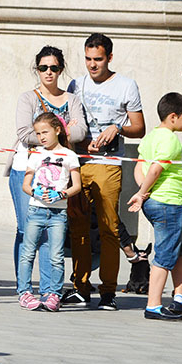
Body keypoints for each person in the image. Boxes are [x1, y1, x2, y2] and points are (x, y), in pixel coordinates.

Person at [63, 33, 145, 310]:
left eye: (97, 59)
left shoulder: (126, 86)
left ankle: (108, 291)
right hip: (79, 162)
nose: (92, 65)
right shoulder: (77, 84)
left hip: (108, 164)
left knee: (109, 228)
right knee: (77, 226)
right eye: (87, 59)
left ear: (109, 57)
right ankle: (80, 287)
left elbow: (139, 128)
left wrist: (117, 129)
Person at [9, 46, 87, 290]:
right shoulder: (28, 98)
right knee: (27, 229)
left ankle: (48, 289)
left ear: (60, 69)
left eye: (54, 67)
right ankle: (24, 287)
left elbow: (82, 132)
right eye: (43, 68)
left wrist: (45, 133)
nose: (49, 72)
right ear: (37, 70)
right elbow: (24, 134)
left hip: (58, 175)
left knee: (51, 233)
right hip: (27, 168)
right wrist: (64, 130)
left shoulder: (72, 99)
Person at [127, 93, 182, 320]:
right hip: (167, 204)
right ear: (173, 117)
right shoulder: (170, 140)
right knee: (164, 255)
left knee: (179, 248)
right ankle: (153, 305)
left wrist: (145, 193)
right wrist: (142, 194)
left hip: (158, 202)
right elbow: (155, 170)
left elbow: (139, 167)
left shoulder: (151, 137)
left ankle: (180, 296)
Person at [17, 113, 82, 311]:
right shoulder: (36, 154)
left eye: (45, 132)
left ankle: (54, 294)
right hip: (36, 209)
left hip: (58, 214)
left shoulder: (69, 155)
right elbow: (26, 185)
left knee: (56, 255)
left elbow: (77, 186)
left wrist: (62, 194)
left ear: (57, 130)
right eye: (38, 133)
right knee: (27, 252)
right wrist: (35, 191)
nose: (42, 137)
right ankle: (25, 292)